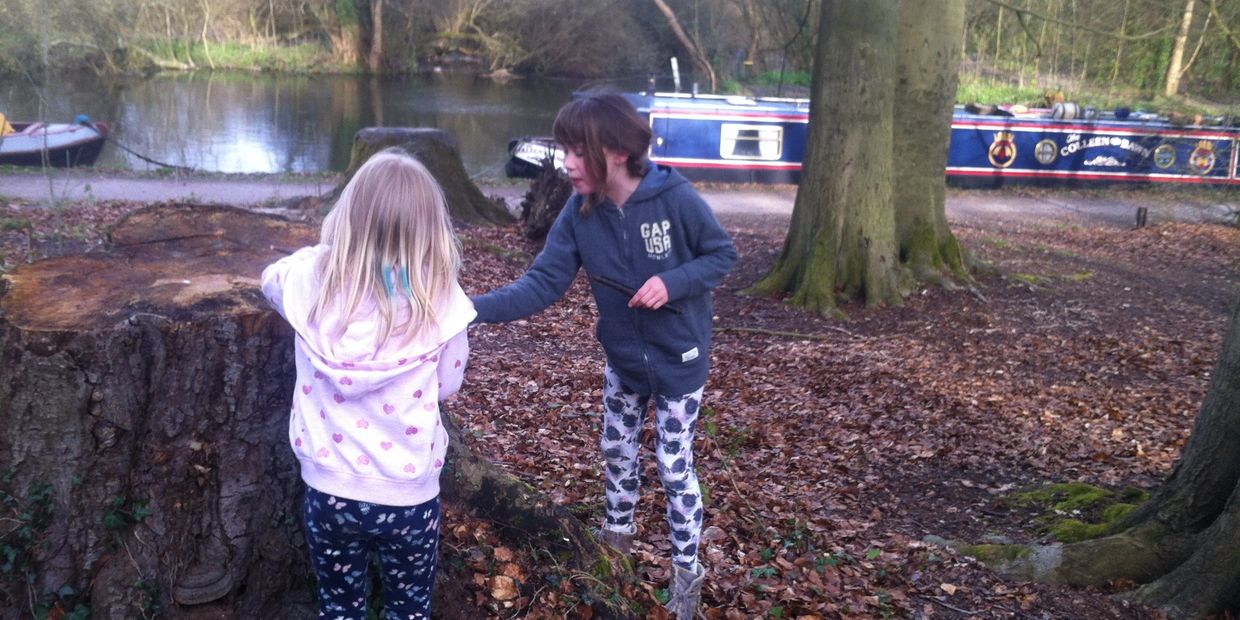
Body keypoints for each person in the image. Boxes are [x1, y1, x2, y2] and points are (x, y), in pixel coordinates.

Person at [470, 91, 737, 619]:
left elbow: (722, 254)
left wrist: (673, 280)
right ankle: (614, 555)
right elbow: (541, 283)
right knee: (617, 453)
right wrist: (468, 309)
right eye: (563, 149)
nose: (566, 163)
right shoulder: (579, 211)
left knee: (671, 465)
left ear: (616, 150)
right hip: (624, 362)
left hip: (680, 361)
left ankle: (686, 590)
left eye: (577, 150)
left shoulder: (674, 198)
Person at [261, 148, 474, 619]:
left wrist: (321, 258)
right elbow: (448, 385)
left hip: (330, 490)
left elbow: (270, 279)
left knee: (340, 606)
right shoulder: (442, 300)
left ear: (348, 216)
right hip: (408, 497)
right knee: (410, 608)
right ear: (431, 229)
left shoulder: (314, 281)